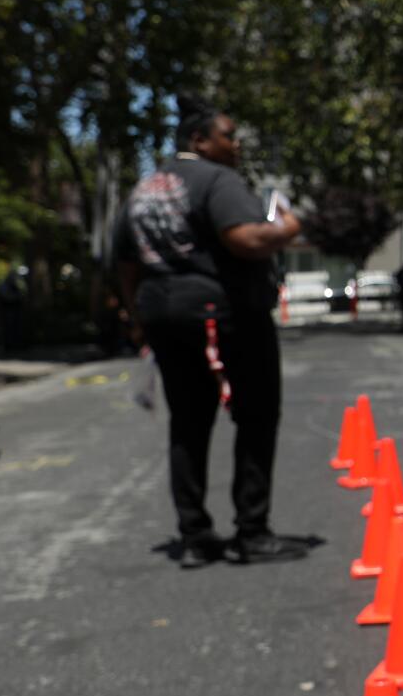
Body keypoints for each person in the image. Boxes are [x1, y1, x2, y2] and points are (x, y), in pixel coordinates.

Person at [112, 95, 307, 567]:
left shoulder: (144, 189)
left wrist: (139, 322)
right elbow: (244, 239)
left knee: (188, 423)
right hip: (224, 316)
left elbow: (124, 265)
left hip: (164, 314)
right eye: (228, 135)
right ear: (199, 140)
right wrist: (287, 228)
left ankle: (195, 537)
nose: (236, 144)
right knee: (257, 416)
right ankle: (251, 532)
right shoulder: (217, 180)